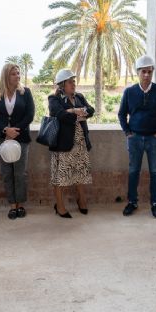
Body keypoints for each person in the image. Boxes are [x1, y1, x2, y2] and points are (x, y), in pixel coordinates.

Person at [118, 55, 156, 218]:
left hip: (154, 139)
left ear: (153, 72)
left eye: (149, 72)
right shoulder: (129, 92)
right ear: (138, 72)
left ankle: (155, 204)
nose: (147, 75)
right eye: (144, 72)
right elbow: (122, 114)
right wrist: (127, 132)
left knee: (155, 172)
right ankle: (132, 202)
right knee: (133, 171)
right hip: (134, 138)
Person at [0, 63, 35, 219]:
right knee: (7, 173)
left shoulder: (25, 92)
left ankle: (20, 204)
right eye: (14, 73)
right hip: (1, 139)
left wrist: (14, 131)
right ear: (6, 76)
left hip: (21, 138)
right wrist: (5, 130)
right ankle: (12, 205)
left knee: (20, 173)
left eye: (18, 73)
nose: (18, 76)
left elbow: (29, 115)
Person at [48, 69, 95, 218]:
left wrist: (78, 111)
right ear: (62, 85)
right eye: (70, 81)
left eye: (74, 81)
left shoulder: (79, 96)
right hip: (63, 144)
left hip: (80, 143)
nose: (73, 84)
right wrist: (76, 112)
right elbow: (59, 114)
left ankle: (81, 200)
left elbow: (91, 110)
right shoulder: (54, 99)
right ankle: (60, 206)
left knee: (80, 173)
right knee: (60, 176)